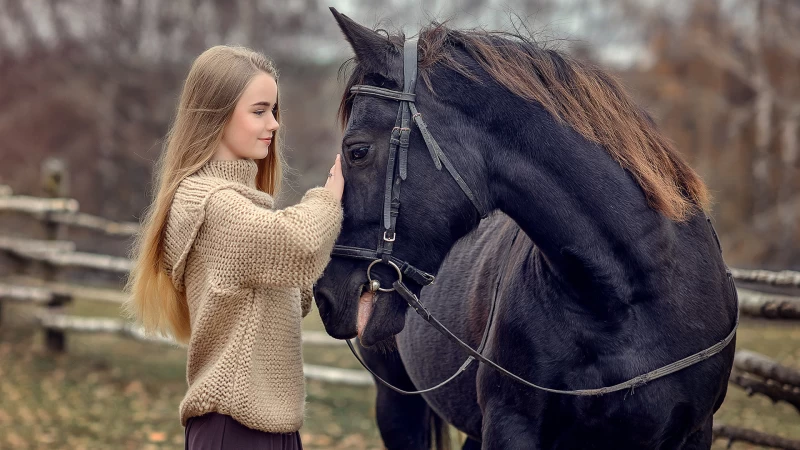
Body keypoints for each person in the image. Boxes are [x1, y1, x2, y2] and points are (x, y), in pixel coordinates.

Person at [124, 45, 344, 449]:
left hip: (267, 429)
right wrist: (330, 197)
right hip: (235, 429)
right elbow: (299, 244)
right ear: (216, 115)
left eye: (274, 111)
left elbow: (293, 296)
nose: (274, 124)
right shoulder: (210, 203)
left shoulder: (237, 206)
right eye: (259, 111)